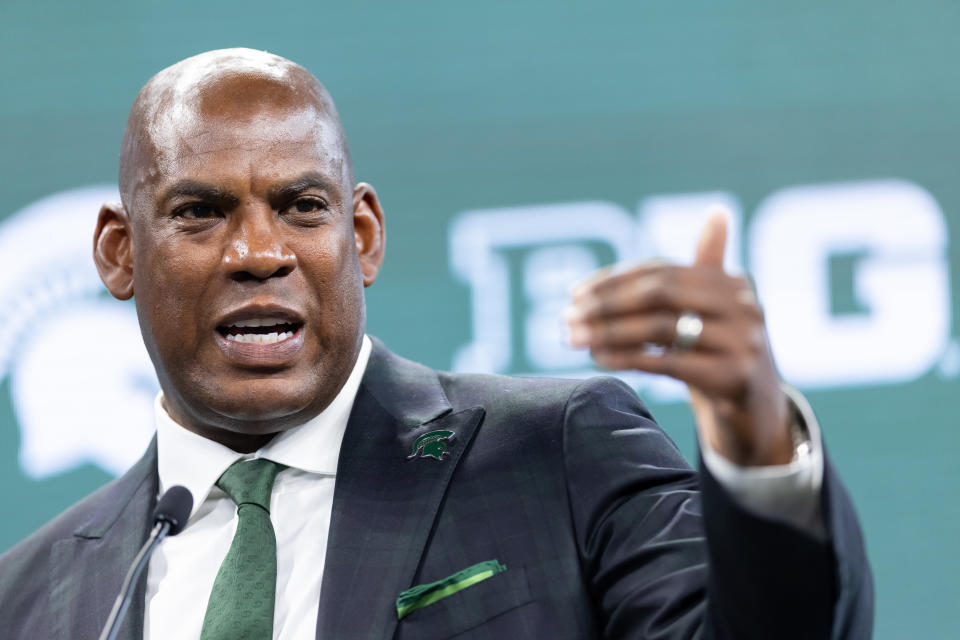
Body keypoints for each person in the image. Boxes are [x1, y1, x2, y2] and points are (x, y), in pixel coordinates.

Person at [0, 48, 872, 639]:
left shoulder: (557, 454)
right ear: (119, 253)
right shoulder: (31, 598)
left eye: (304, 207)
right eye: (200, 212)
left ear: (364, 235)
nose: (261, 253)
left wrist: (756, 434)